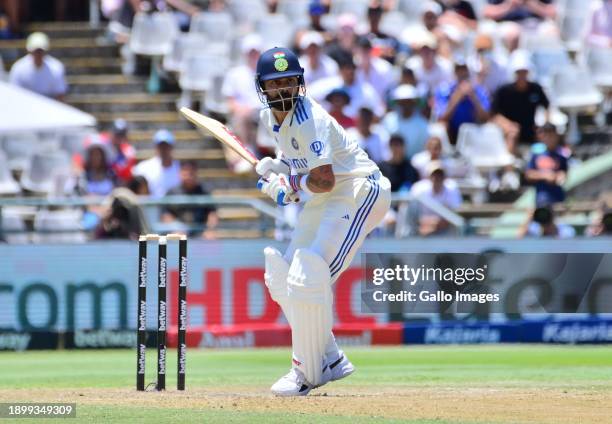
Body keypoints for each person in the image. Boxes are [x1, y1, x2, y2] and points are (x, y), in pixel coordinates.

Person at [253, 47, 391, 396]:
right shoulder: (270, 118)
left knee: (308, 276)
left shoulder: (308, 118)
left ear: (300, 83)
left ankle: (306, 373)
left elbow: (325, 179)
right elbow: (299, 162)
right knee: (282, 275)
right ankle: (329, 355)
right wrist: (280, 169)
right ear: (263, 88)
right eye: (275, 83)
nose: (283, 90)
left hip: (359, 191)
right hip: (328, 195)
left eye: (288, 82)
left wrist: (287, 188)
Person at [491, 51, 549, 152]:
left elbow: (546, 107)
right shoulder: (503, 91)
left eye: (524, 72)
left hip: (531, 131)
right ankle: (508, 164)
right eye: (519, 72)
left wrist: (544, 125)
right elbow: (494, 115)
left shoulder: (536, 89)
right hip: (510, 132)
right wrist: (508, 125)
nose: (522, 75)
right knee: (512, 133)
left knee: (549, 133)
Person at [433, 57, 490, 144]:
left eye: (464, 70)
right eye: (458, 70)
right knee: (442, 127)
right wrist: (457, 97)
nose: (461, 73)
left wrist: (473, 97)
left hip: (473, 131)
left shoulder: (479, 90)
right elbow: (442, 118)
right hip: (452, 132)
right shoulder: (444, 90)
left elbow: (485, 118)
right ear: (455, 72)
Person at [162, 161, 219, 239]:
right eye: (185, 172)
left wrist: (210, 230)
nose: (188, 176)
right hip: (178, 232)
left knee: (211, 239)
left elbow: (212, 214)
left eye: (191, 173)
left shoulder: (204, 191)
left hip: (200, 232)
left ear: (196, 173)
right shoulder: (172, 192)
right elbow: (166, 214)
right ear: (180, 173)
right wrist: (175, 230)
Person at [409, 161, 462, 236]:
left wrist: (431, 227)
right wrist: (425, 226)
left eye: (440, 175)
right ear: (429, 176)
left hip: (445, 232)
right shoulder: (418, 189)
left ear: (444, 177)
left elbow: (452, 217)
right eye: (434, 175)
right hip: (419, 231)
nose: (437, 178)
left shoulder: (452, 189)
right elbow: (413, 216)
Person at [9, 32, 67, 99]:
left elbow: (60, 95)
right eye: (36, 51)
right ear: (30, 51)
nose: (38, 54)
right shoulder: (18, 68)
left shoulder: (56, 67)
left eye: (40, 51)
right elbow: (14, 94)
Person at [524, 123, 568, 206]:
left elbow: (564, 174)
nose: (549, 138)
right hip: (541, 198)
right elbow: (528, 174)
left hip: (558, 197)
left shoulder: (562, 155)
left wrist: (559, 176)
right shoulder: (536, 154)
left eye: (551, 135)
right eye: (546, 135)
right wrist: (545, 175)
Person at [383, 84, 430, 159]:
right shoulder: (388, 120)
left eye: (408, 102)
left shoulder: (422, 124)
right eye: (402, 102)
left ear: (414, 103)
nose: (405, 105)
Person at [133, 129, 180, 198]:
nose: (163, 150)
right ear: (156, 147)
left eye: (166, 146)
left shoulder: (180, 169)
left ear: (171, 147)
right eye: (161, 146)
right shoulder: (143, 168)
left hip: (173, 208)